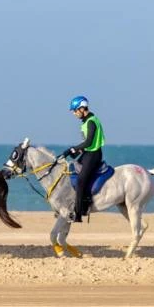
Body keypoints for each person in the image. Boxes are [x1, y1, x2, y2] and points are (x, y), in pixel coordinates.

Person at [63, 95, 104, 223]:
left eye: (75, 110)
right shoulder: (85, 122)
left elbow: (89, 142)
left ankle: (79, 213)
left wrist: (73, 148)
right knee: (71, 171)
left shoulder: (91, 121)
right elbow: (85, 145)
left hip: (94, 155)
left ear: (82, 108)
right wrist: (74, 152)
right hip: (88, 153)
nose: (74, 113)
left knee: (80, 181)